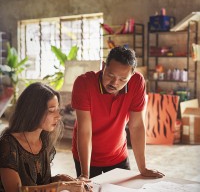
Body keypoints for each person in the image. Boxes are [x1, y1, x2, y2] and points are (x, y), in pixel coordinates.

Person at [71, 46, 165, 180]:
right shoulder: (84, 83)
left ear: (131, 76)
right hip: (88, 157)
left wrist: (143, 168)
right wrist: (85, 175)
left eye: (122, 79)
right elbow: (84, 130)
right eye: (110, 75)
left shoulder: (137, 82)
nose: (115, 83)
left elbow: (137, 126)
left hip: (117, 154)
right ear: (103, 66)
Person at [0, 82, 92, 192]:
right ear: (33, 111)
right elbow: (15, 190)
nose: (58, 116)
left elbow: (41, 184)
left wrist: (60, 178)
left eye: (58, 109)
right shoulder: (8, 144)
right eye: (52, 110)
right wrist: (62, 185)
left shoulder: (43, 140)